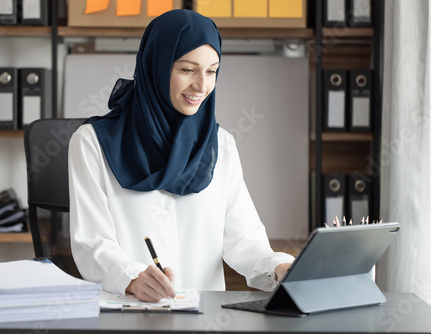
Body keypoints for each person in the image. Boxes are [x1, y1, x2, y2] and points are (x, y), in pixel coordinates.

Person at [68, 9, 294, 303]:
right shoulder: (92, 143)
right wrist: (132, 277)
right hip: (129, 313)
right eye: (188, 70)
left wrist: (279, 267)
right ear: (156, 66)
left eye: (211, 71)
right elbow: (91, 243)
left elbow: (243, 239)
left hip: (205, 319)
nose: (202, 86)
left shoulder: (220, 144)